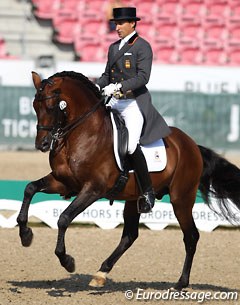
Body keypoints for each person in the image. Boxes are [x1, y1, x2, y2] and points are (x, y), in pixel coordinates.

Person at [96, 7, 171, 213]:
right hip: (114, 102)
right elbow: (106, 76)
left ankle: (147, 192)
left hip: (133, 103)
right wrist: (96, 85)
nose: (117, 27)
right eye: (115, 24)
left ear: (133, 23)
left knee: (129, 146)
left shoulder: (142, 46)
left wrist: (120, 87)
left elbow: (143, 77)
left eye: (121, 23)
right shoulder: (112, 48)